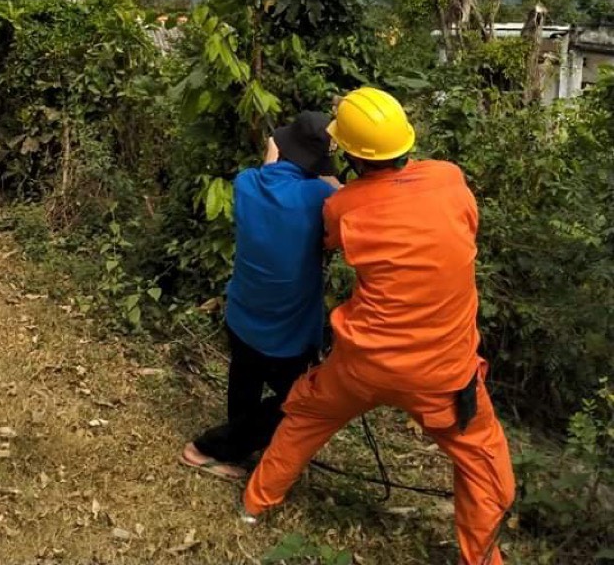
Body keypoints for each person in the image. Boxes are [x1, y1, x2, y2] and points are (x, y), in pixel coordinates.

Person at [241, 88, 515, 565]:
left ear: (349, 153)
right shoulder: (450, 180)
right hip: (444, 371)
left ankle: (254, 504)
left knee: (304, 419)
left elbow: (330, 241)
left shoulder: (343, 206)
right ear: (406, 137)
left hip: (362, 362)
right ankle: (485, 558)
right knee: (480, 461)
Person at [181, 111, 338, 480]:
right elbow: (342, 194)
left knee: (244, 379)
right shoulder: (320, 196)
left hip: (243, 315)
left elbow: (270, 172)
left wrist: (281, 150)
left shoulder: (246, 183)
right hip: (288, 332)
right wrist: (321, 164)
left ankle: (234, 449)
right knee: (299, 402)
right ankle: (213, 448)